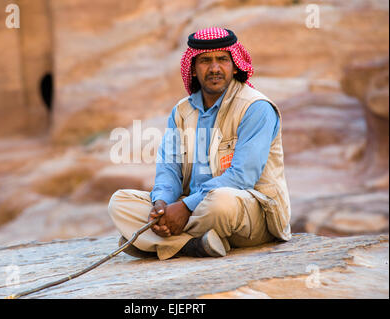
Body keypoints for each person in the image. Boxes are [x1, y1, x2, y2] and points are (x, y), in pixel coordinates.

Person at [108, 27, 291, 260]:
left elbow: (242, 177)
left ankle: (155, 242)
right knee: (120, 203)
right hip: (197, 212)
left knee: (221, 202)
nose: (214, 68)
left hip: (248, 212)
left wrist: (184, 208)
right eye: (205, 61)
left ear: (235, 65)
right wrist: (162, 204)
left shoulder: (255, 108)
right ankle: (194, 245)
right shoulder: (182, 112)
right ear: (193, 69)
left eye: (222, 59)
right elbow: (169, 169)